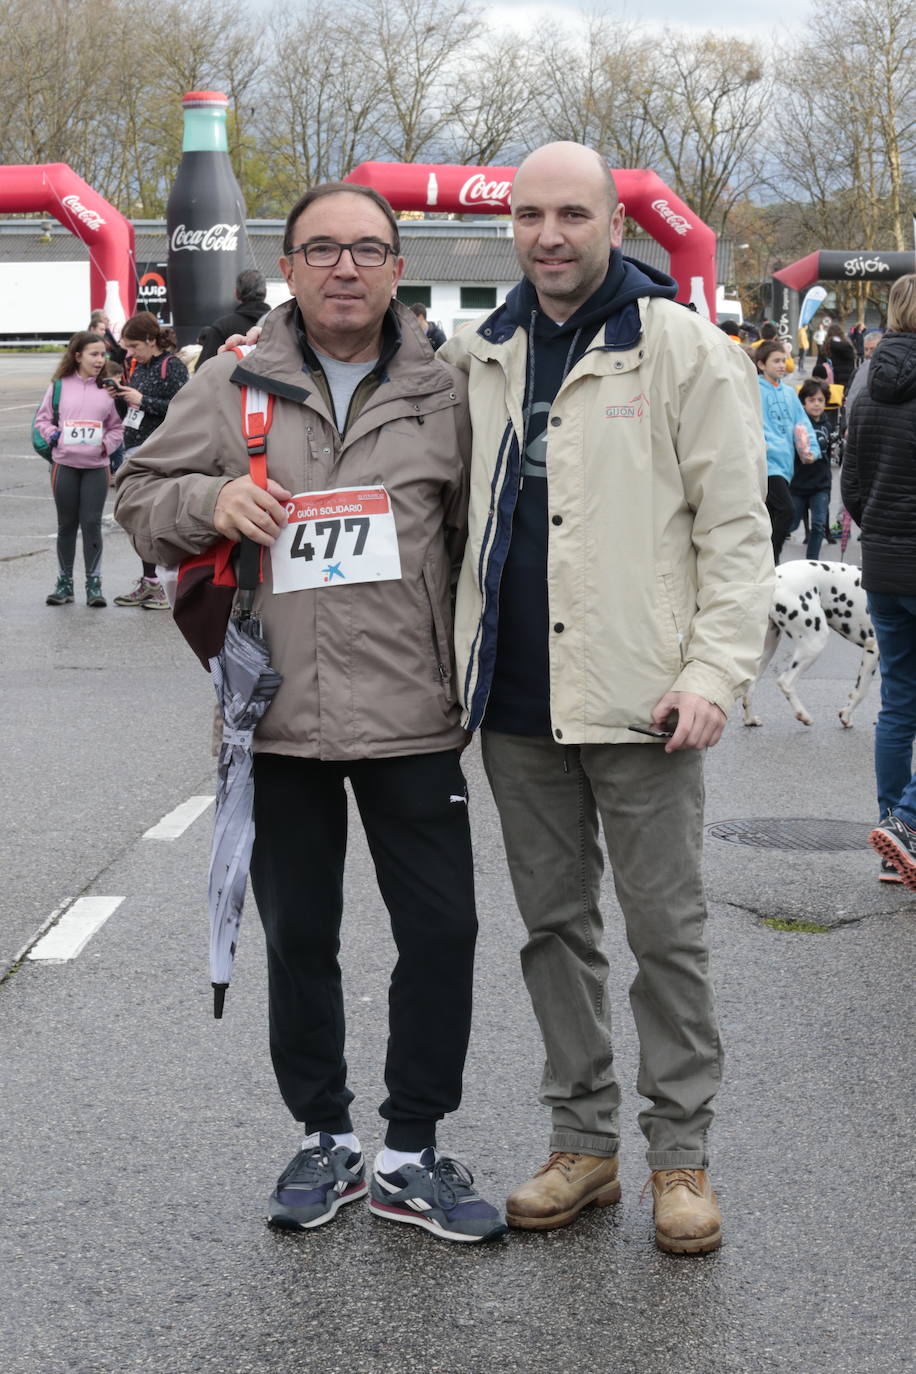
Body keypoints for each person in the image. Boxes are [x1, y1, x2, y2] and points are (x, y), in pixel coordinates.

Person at [114, 182, 506, 1245]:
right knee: (302, 936)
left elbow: (494, 536)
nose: (345, 268)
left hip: (415, 715)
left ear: (396, 268)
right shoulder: (231, 382)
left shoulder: (451, 387)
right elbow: (136, 497)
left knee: (443, 932)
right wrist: (208, 502)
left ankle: (410, 1149)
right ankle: (323, 1134)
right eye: (321, 249)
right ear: (286, 266)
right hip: (277, 721)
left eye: (367, 250)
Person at [440, 142, 774, 1254]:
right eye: (529, 215)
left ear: (614, 223)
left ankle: (681, 1158)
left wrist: (711, 672)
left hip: (646, 707)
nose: (548, 235)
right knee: (553, 931)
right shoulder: (477, 355)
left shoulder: (682, 351)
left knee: (666, 937)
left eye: (571, 214)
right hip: (517, 706)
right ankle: (581, 1145)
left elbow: (736, 536)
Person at [842, 275, 916, 886]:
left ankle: (895, 835)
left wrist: (883, 536)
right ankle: (907, 825)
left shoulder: (863, 389)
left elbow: (852, 484)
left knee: (898, 705)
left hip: (884, 566)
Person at [34, 331, 124, 607]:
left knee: (92, 524)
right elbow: (43, 420)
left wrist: (105, 446)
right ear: (77, 356)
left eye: (103, 355)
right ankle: (64, 583)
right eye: (94, 354)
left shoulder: (109, 389)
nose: (100, 360)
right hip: (65, 466)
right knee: (67, 525)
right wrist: (54, 436)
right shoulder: (59, 386)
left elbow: (117, 427)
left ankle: (93, 584)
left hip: (96, 467)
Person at [111, 313, 189, 611]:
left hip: (162, 453)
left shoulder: (173, 366)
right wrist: (119, 396)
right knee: (139, 520)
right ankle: (149, 581)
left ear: (150, 340)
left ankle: (164, 582)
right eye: (127, 348)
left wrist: (143, 400)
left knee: (159, 520)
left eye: (134, 346)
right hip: (134, 450)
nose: (129, 353)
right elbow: (128, 411)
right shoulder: (138, 366)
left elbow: (184, 409)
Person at [755, 339, 818, 561]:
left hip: (785, 464)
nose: (782, 365)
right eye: (777, 361)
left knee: (772, 516)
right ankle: (771, 560)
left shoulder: (790, 393)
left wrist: (811, 449)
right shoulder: (753, 389)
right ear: (762, 364)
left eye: (784, 360)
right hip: (765, 462)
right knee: (787, 511)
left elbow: (802, 424)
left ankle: (769, 565)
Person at [790, 379, 835, 560]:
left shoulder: (828, 425)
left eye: (820, 400)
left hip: (821, 484)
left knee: (818, 525)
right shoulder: (799, 425)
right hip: (798, 484)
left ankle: (812, 562)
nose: (816, 404)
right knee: (791, 524)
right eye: (812, 400)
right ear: (804, 403)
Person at [196, 269, 269, 368]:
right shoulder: (281, 325)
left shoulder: (222, 327)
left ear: (236, 294)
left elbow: (203, 370)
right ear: (265, 292)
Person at [844, 329, 883, 414]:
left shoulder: (885, 372)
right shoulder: (857, 372)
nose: (868, 353)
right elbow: (848, 397)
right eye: (866, 349)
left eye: (872, 349)